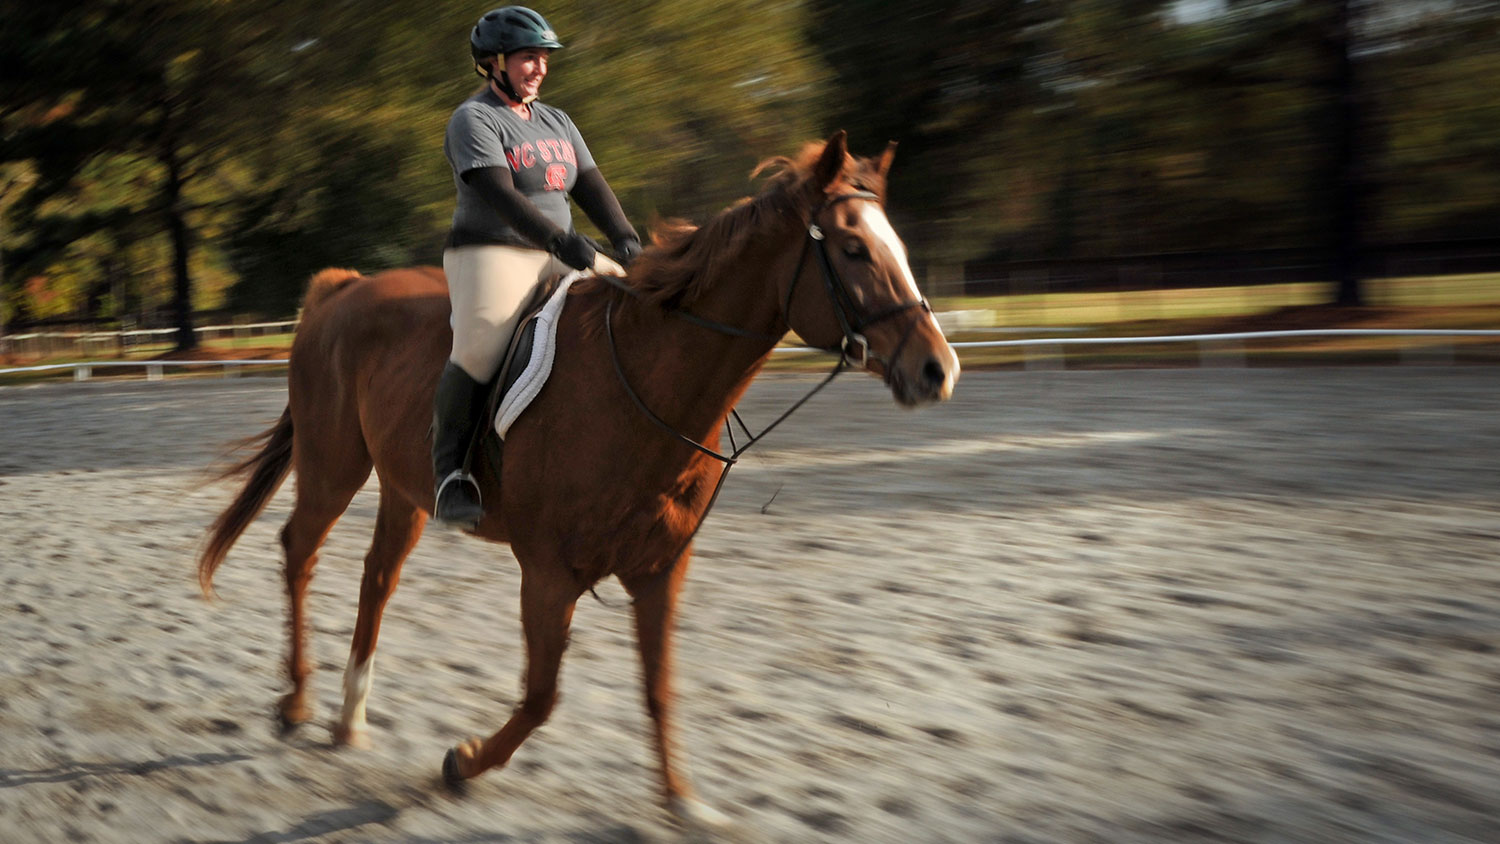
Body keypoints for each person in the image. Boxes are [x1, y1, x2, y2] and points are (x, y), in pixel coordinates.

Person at [434, 5, 642, 529]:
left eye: (544, 58)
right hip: (492, 250)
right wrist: (563, 241)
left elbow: (590, 184)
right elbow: (500, 198)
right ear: (494, 62)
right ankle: (451, 474)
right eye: (529, 57)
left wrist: (626, 241)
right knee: (481, 344)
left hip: (562, 247)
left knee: (639, 310)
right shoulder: (473, 119)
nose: (540, 67)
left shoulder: (557, 121)